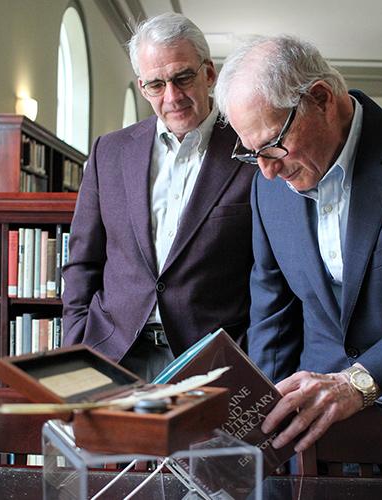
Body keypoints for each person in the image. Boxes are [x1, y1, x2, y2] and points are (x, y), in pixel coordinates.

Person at [214, 35, 382, 454]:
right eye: (251, 153)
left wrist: (360, 381)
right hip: (318, 436)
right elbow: (273, 314)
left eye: (273, 144)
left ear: (321, 98)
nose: (268, 171)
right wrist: (267, 435)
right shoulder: (266, 190)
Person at [62, 13, 256, 381]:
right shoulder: (110, 151)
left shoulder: (249, 149)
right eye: (156, 84)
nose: (172, 96)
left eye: (183, 77)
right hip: (113, 353)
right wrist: (76, 340)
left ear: (209, 74)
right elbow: (83, 262)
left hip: (211, 360)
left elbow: (268, 272)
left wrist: (250, 352)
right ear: (142, 86)